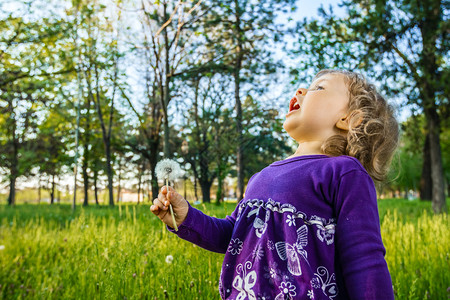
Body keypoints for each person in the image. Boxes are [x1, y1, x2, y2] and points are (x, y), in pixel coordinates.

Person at [151, 69, 399, 299]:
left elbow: (364, 259)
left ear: (349, 119)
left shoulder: (344, 172)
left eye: (319, 88)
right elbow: (232, 235)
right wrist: (185, 217)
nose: (301, 90)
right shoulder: (261, 176)